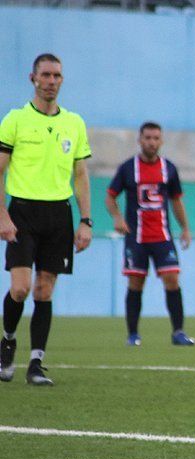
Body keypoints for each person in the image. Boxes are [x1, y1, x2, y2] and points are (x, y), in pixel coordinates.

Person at [0, 53, 92, 386]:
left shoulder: (74, 123)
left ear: (62, 80)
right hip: (22, 212)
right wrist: (3, 214)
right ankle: (8, 340)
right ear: (33, 78)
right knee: (21, 288)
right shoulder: (15, 120)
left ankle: (36, 363)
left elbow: (81, 174)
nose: (51, 80)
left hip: (58, 214)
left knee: (44, 290)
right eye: (46, 75)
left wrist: (86, 220)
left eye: (57, 75)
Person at [105, 122, 195, 346]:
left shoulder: (169, 168)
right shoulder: (128, 168)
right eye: (148, 138)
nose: (152, 142)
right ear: (140, 139)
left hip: (163, 237)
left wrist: (185, 228)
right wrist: (117, 217)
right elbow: (110, 196)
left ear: (161, 141)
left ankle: (178, 332)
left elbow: (176, 200)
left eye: (156, 138)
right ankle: (133, 335)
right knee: (136, 284)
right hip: (136, 238)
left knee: (172, 280)